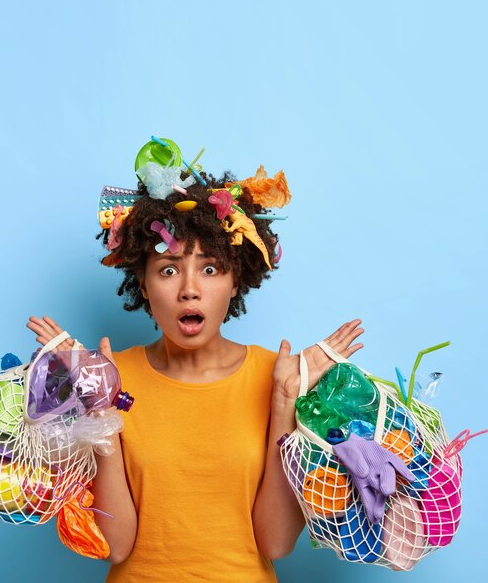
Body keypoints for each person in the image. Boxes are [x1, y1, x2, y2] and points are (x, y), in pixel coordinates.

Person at [27, 140, 364, 582]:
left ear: (235, 279)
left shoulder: (276, 377)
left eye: (210, 269)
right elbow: (116, 546)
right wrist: (100, 417)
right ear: (143, 285)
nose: (189, 288)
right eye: (168, 269)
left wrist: (284, 405)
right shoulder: (112, 377)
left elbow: (276, 544)